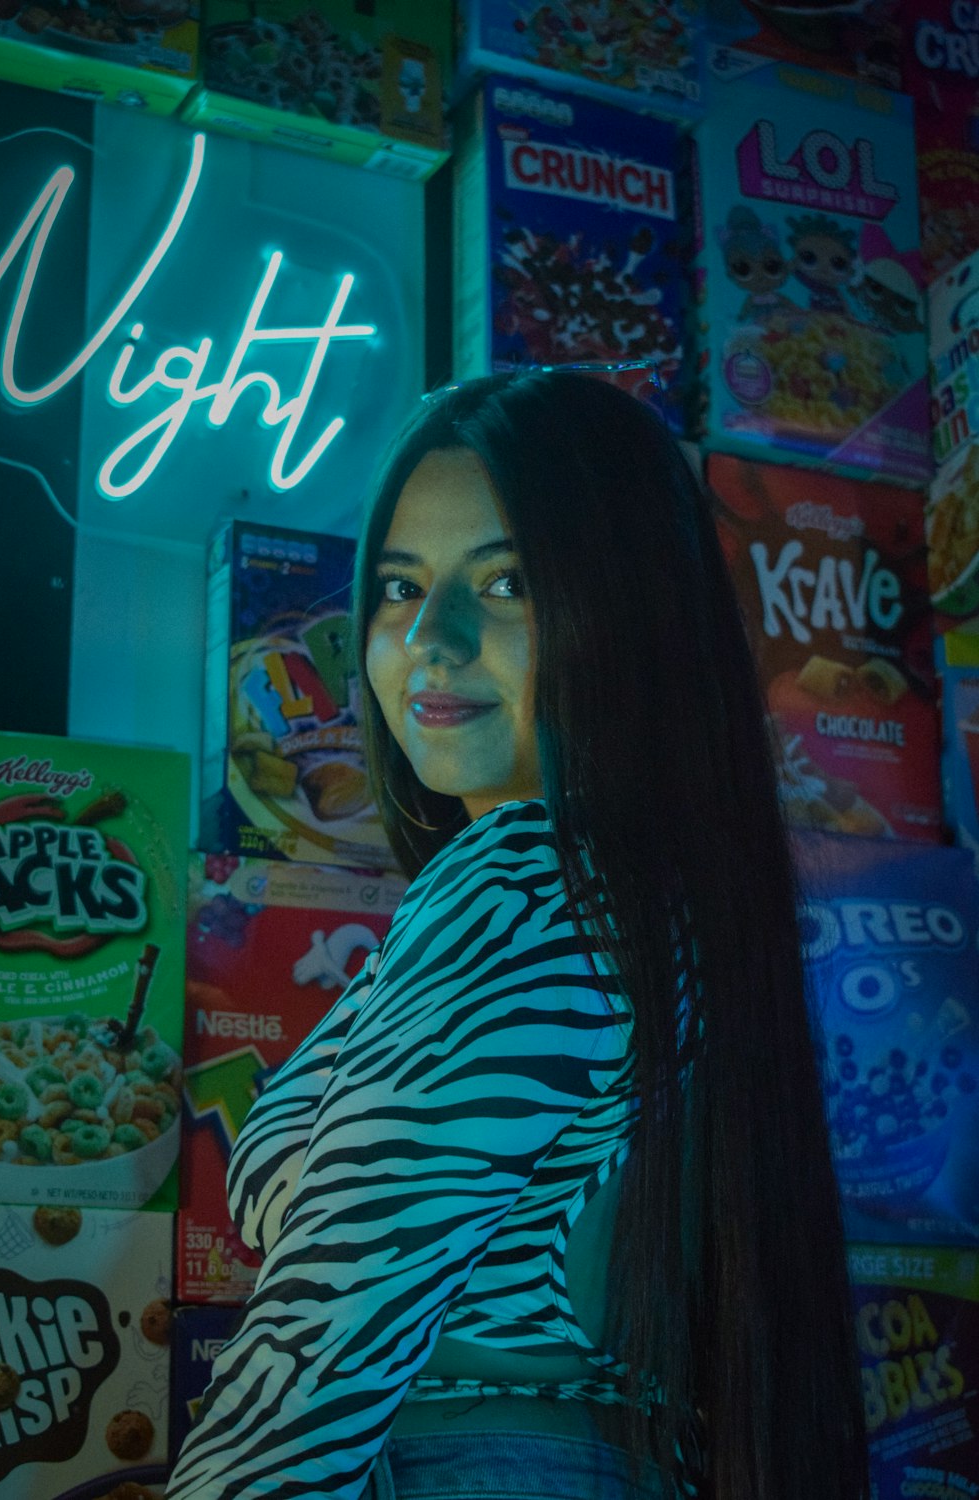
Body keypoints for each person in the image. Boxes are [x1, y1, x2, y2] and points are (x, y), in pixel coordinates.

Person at [165, 372, 871, 1500]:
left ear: (630, 614)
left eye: (503, 583)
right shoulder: (646, 893)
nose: (430, 641)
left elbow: (321, 1344)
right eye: (400, 589)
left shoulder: (526, 879)